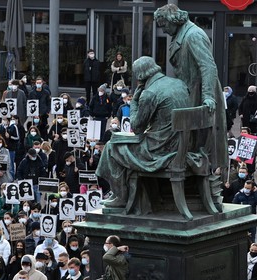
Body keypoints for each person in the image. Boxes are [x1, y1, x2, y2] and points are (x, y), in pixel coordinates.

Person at [97, 56, 190, 209]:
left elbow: (136, 127)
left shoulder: (150, 93)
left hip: (160, 148)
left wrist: (134, 102)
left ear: (140, 76)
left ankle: (121, 196)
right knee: (118, 146)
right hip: (182, 145)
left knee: (111, 148)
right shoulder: (179, 84)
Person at [154, 4, 227, 170]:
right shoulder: (181, 34)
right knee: (188, 136)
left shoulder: (193, 35)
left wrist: (208, 96)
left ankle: (195, 173)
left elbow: (208, 66)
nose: (163, 30)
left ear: (173, 20)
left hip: (199, 92)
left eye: (164, 25)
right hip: (189, 91)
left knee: (199, 138)